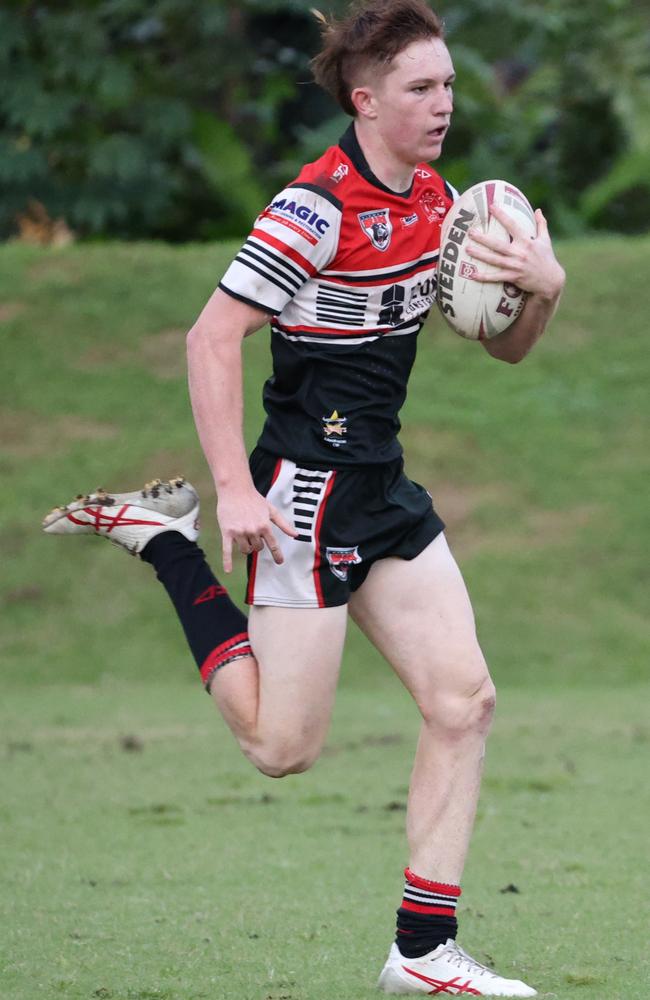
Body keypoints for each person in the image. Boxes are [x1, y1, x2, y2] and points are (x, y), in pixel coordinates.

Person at [43, 0, 565, 994]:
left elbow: (501, 345)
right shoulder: (311, 207)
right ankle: (169, 544)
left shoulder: (439, 205)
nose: (442, 103)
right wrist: (234, 487)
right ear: (365, 101)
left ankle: (422, 954)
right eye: (420, 88)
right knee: (280, 748)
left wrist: (542, 284)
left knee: (463, 702)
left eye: (448, 84)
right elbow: (209, 338)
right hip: (304, 495)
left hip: (381, 489)